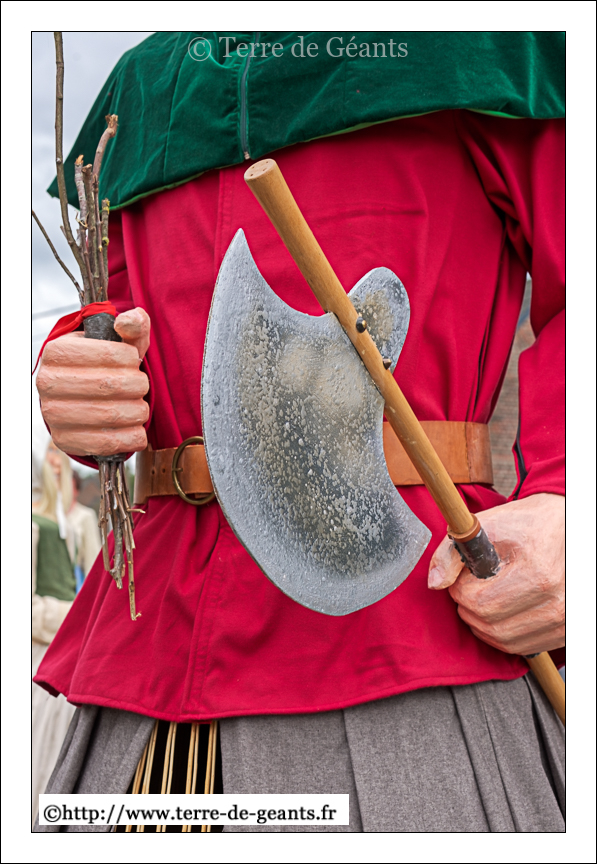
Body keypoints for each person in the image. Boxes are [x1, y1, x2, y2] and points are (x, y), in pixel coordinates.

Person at [33, 32, 564, 832]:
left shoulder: (486, 40)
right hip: (151, 653)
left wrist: (568, 499)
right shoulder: (141, 88)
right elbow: (117, 313)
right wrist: (79, 371)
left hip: (409, 628)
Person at [31, 437, 77, 824]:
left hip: (68, 653)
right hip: (39, 654)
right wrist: (74, 618)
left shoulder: (71, 525)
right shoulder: (31, 526)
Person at [67, 471, 101, 592]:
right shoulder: (48, 515)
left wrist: (91, 591)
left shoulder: (86, 516)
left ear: (76, 491)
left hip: (74, 583)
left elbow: (92, 558)